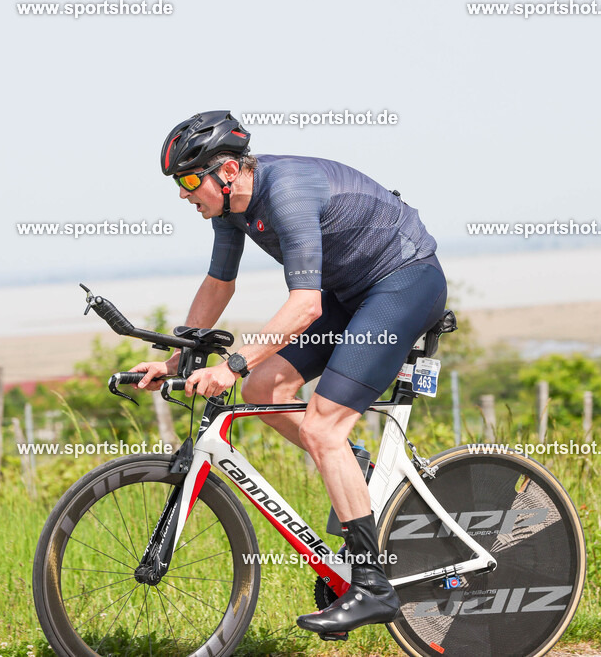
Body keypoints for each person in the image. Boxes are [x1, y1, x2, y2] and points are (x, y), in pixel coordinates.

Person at [131, 110, 447, 636]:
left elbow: (304, 305)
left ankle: (373, 586)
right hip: (351, 296)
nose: (185, 194)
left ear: (227, 171)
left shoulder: (288, 192)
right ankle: (358, 468)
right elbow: (217, 286)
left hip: (403, 284)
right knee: (264, 388)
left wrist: (231, 364)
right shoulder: (230, 211)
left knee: (324, 426)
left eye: (189, 181)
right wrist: (174, 359)